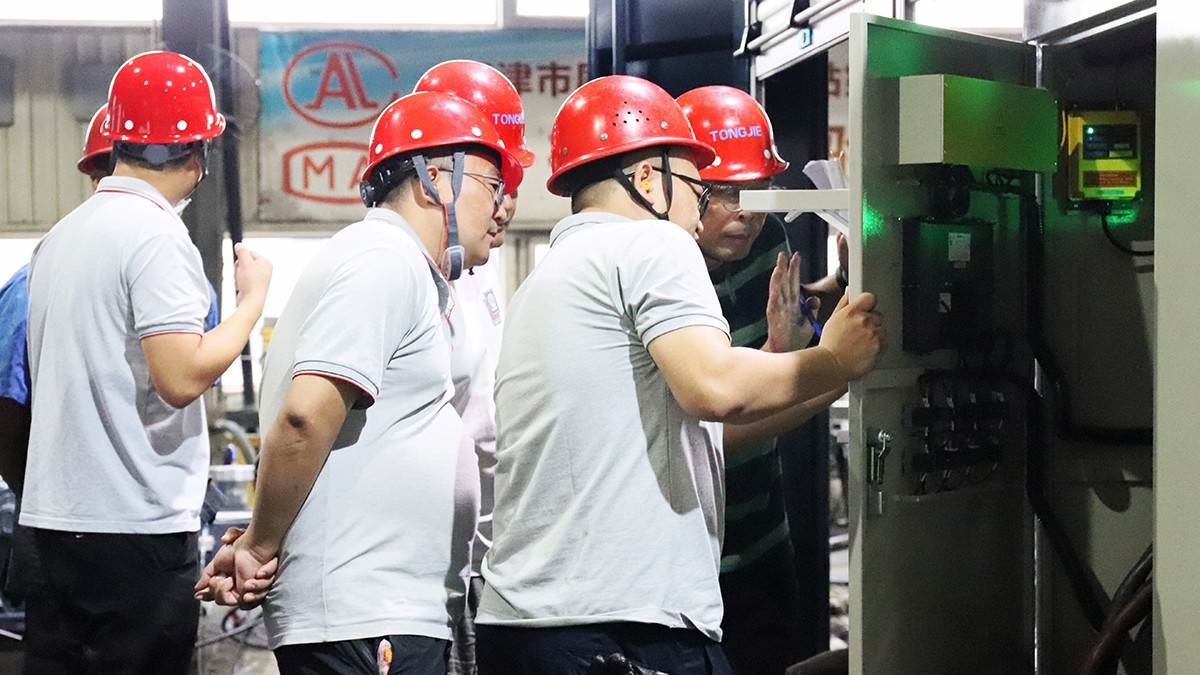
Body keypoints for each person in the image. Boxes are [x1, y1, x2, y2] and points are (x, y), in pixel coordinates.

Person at [474, 74, 884, 675]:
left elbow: (698, 430)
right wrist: (834, 359)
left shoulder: (548, 280)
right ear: (647, 179)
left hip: (530, 630)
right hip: (622, 632)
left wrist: (832, 375)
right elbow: (715, 389)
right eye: (698, 186)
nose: (701, 209)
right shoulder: (652, 245)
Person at [196, 90, 524, 675]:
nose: (501, 207)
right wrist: (259, 546)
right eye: (491, 185)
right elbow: (305, 418)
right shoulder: (383, 258)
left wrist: (257, 537)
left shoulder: (400, 265)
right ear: (434, 181)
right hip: (363, 618)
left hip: (378, 614)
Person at [20, 51, 272, 674]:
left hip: (54, 526)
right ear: (196, 154)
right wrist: (252, 303)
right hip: (133, 528)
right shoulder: (155, 234)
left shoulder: (60, 238)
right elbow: (181, 376)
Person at [677, 84, 848, 674]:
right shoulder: (661, 274)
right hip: (690, 560)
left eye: (756, 190)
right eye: (726, 192)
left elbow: (793, 314)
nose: (746, 211)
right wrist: (828, 370)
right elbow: (709, 432)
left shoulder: (765, 239)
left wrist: (841, 283)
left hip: (764, 546)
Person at [412, 59, 536, 675]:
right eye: (491, 182)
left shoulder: (474, 275)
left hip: (480, 564)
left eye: (509, 184)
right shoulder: (407, 277)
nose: (504, 205)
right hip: (428, 568)